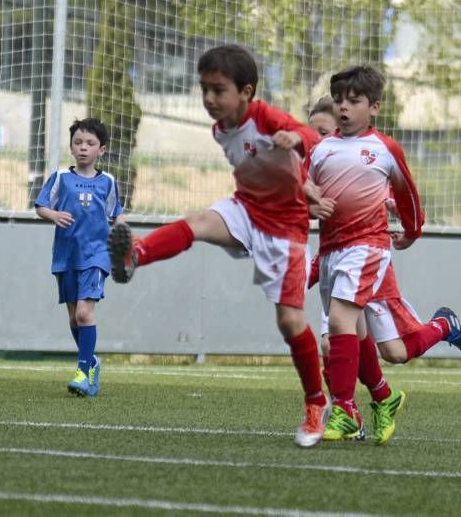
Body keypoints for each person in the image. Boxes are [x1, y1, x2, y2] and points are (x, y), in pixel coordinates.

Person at [106, 44, 332, 448]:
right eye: (204, 89)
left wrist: (294, 139)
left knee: (289, 322)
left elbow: (311, 136)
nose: (209, 99)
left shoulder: (264, 117)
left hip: (285, 231)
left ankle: (317, 402)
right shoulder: (220, 129)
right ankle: (135, 253)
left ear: (246, 91)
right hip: (246, 210)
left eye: (219, 90)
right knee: (197, 224)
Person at [307, 65, 461, 445]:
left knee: (338, 325)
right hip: (334, 252)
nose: (344, 108)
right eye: (339, 100)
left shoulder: (385, 149)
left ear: (375, 107)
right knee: (382, 346)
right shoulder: (322, 150)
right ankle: (385, 395)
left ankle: (347, 410)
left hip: (368, 249)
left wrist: (412, 231)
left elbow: (408, 197)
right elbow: (301, 192)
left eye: (354, 101)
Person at [35, 117, 123, 397]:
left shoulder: (108, 182)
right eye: (78, 142)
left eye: (90, 143)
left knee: (86, 313)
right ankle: (92, 362)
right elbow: (40, 206)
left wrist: (124, 236)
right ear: (71, 148)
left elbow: (116, 214)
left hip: (96, 255)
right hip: (66, 255)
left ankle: (83, 372)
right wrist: (54, 214)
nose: (83, 148)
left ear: (102, 150)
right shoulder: (61, 177)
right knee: (75, 319)